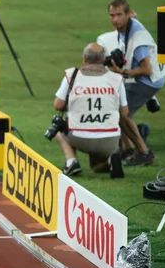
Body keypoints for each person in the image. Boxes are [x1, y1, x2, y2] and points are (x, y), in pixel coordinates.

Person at [97, 0, 165, 166]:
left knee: (121, 113)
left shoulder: (138, 38)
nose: (115, 19)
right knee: (118, 110)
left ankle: (144, 153)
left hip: (149, 80)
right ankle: (127, 150)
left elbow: (146, 70)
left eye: (119, 15)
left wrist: (123, 72)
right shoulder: (127, 24)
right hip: (145, 78)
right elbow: (133, 16)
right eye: (112, 15)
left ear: (127, 14)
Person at [52, 43, 137, 178]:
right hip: (110, 139)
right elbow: (125, 113)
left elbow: (57, 105)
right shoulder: (116, 79)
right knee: (96, 167)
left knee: (58, 127)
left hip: (79, 137)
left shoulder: (72, 75)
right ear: (103, 60)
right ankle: (110, 161)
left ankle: (71, 161)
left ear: (84, 58)